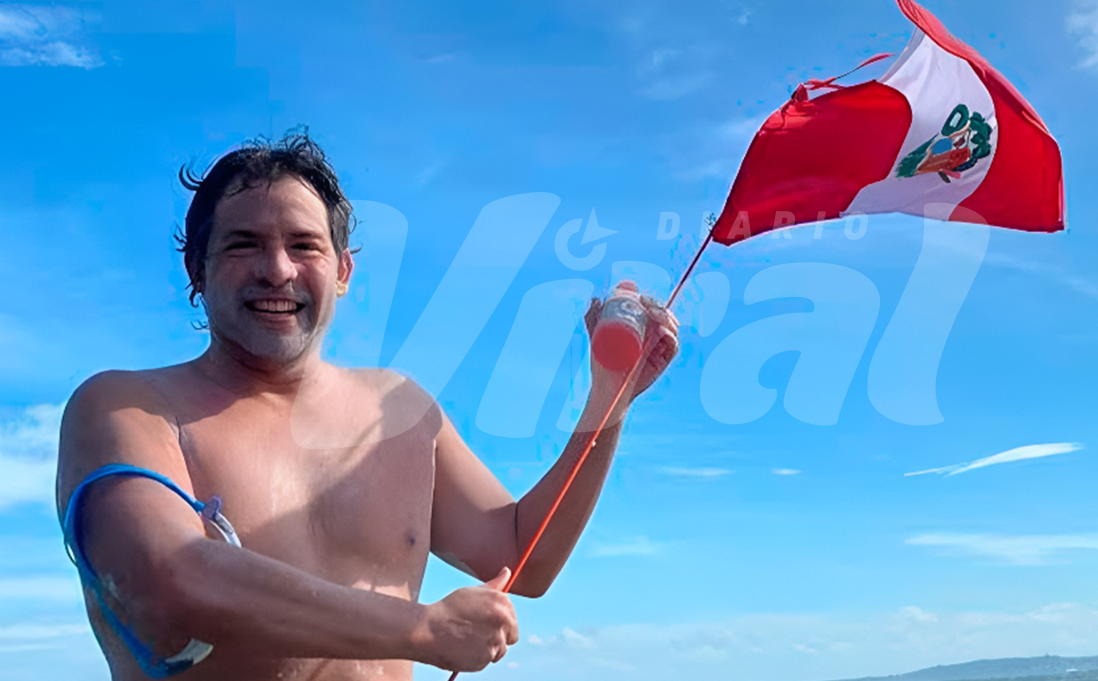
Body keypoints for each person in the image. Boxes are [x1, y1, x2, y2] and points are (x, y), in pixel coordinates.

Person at [55, 132, 679, 681]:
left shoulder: (400, 411)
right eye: (244, 245)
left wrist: (609, 400)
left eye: (305, 245)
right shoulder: (126, 408)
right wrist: (421, 630)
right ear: (197, 268)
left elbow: (524, 554)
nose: (277, 269)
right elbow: (164, 582)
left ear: (344, 270)